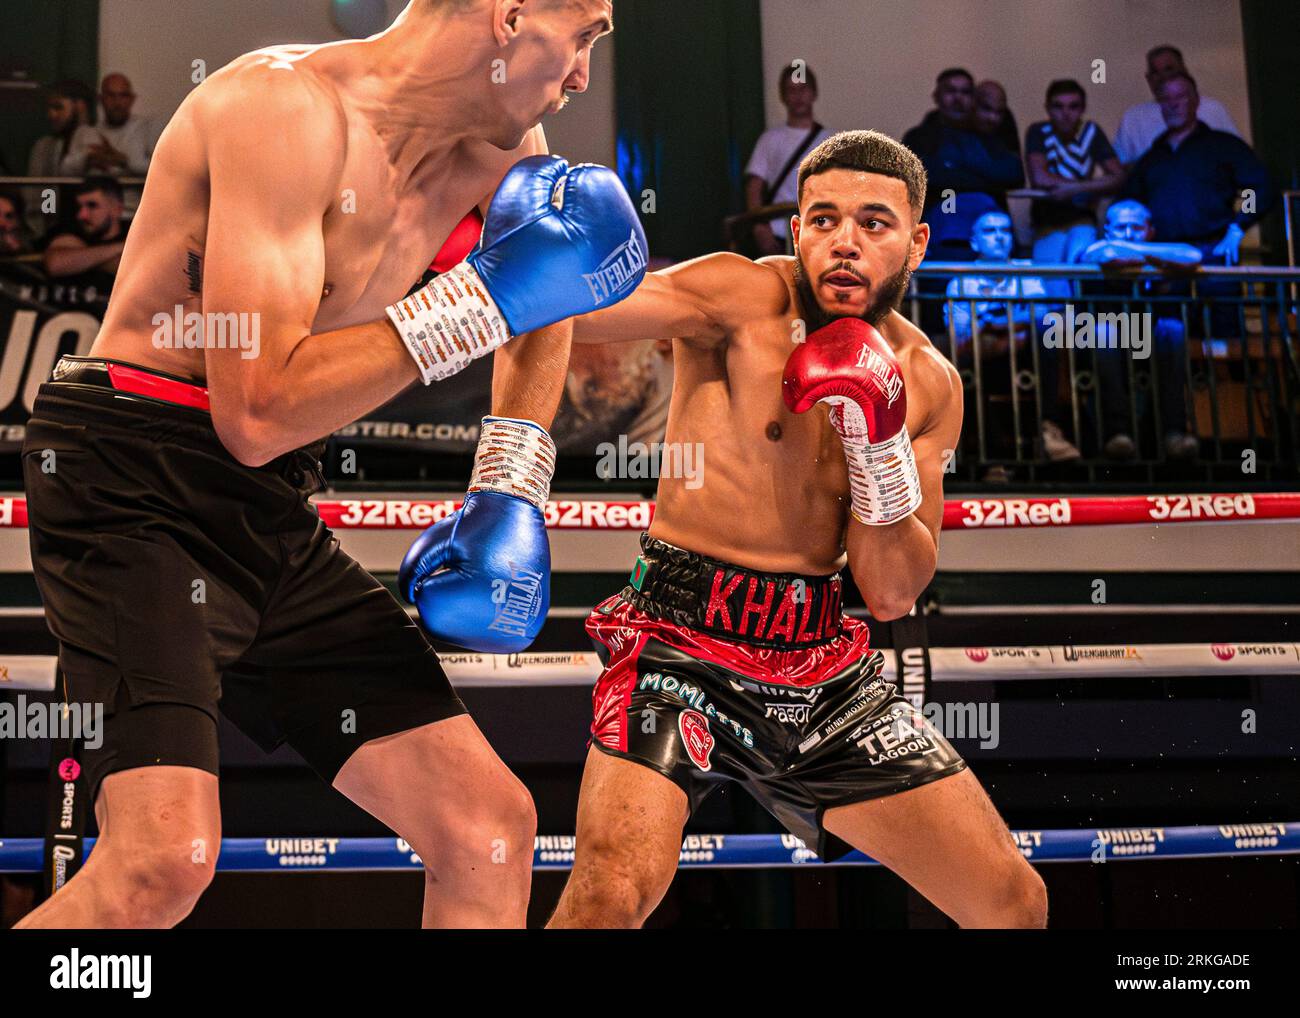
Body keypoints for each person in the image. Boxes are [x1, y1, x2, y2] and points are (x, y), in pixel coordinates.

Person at [16, 0, 640, 931]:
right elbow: (259, 409)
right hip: (135, 470)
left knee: (489, 831)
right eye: (585, 34)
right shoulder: (284, 110)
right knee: (160, 863)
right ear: (511, 15)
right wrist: (478, 300)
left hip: (265, 496)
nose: (586, 74)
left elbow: (547, 305)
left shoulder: (508, 142)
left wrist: (510, 482)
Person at [548, 130, 1047, 929]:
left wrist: (877, 448)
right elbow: (572, 315)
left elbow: (889, 590)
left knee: (1013, 903)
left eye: (874, 224)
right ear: (796, 231)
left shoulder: (927, 382)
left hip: (820, 665)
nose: (844, 242)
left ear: (917, 241)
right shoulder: (738, 297)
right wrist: (533, 255)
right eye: (823, 220)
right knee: (609, 895)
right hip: (678, 642)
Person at [944, 210, 1075, 466]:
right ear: (974, 242)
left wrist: (996, 325)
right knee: (969, 373)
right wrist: (1016, 328)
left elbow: (1042, 317)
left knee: (1048, 333)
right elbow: (962, 342)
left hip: (1029, 358)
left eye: (1005, 231)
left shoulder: (1028, 274)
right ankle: (995, 462)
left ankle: (1050, 430)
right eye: (990, 232)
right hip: (985, 361)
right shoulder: (960, 282)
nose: (999, 237)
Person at [1075, 200, 1203, 461]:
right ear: (1107, 230)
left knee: (1173, 330)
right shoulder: (1095, 248)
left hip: (1148, 336)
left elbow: (1193, 256)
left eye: (1137, 227)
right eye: (1121, 228)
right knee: (1104, 331)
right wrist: (1159, 258)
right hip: (1098, 340)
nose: (1129, 233)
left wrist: (1134, 250)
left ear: (1151, 230)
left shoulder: (1128, 245)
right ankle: (1117, 433)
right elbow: (1109, 256)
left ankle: (1174, 433)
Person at [902, 68, 1024, 257]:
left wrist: (957, 165)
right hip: (945, 211)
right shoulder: (921, 136)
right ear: (937, 96)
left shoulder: (989, 135)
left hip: (989, 219)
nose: (958, 99)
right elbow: (929, 177)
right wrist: (986, 178)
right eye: (951, 91)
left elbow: (1014, 175)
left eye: (965, 92)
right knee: (953, 207)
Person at [1024, 79, 1123, 264]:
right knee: (1051, 283)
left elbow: (1118, 178)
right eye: (1058, 107)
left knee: (1079, 273)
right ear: (1047, 108)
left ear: (1083, 108)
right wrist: (1091, 187)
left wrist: (1073, 190)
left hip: (1082, 220)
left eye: (1073, 107)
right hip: (1046, 223)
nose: (1066, 114)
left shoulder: (1090, 132)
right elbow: (1040, 178)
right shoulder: (1038, 131)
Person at [744, 64, 834, 256]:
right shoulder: (770, 139)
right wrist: (760, 227)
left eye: (802, 89)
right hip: (779, 231)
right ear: (783, 96)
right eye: (791, 90)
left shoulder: (830, 141)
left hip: (820, 230)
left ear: (813, 93)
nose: (798, 96)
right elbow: (754, 188)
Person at [1113, 45, 1240, 165]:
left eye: (1169, 69)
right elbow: (1120, 169)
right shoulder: (1133, 117)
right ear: (1149, 79)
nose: (1163, 77)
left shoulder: (1213, 109)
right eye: (1156, 72)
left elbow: (1237, 159)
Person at [25, 80, 95, 237]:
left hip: (91, 229)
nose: (52, 115)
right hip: (58, 228)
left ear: (79, 106)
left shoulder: (95, 137)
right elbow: (44, 189)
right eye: (50, 108)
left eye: (58, 107)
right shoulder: (46, 147)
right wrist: (46, 224)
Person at [41, 177, 129, 285]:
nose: (82, 215)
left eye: (92, 206)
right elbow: (56, 264)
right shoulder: (70, 231)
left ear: (117, 209)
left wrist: (82, 257)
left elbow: (134, 271)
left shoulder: (134, 233)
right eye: (79, 207)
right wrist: (121, 247)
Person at [973, 80, 1020, 157]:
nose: (993, 118)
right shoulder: (955, 139)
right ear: (973, 104)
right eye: (986, 109)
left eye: (999, 112)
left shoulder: (1006, 149)